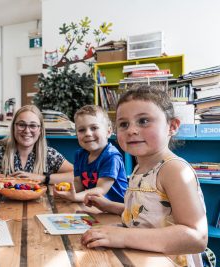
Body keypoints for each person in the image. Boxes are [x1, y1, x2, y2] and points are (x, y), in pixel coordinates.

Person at [82, 85, 208, 267]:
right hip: (139, 258)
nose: (131, 130)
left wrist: (123, 236)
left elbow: (196, 237)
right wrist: (110, 206)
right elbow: (149, 214)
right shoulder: (138, 169)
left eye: (143, 121)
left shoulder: (174, 170)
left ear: (172, 126)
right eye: (124, 124)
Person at [54, 105, 127, 203]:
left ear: (108, 131)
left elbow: (101, 189)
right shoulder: (79, 155)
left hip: (116, 211)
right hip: (94, 206)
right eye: (81, 130)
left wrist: (75, 197)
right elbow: (78, 183)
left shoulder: (111, 156)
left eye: (94, 128)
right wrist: (66, 191)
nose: (87, 133)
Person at [0, 104, 73, 184]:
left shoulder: (49, 154)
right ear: (13, 127)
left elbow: (76, 175)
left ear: (40, 130)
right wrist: (7, 178)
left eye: (33, 126)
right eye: (21, 125)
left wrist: (42, 178)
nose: (27, 130)